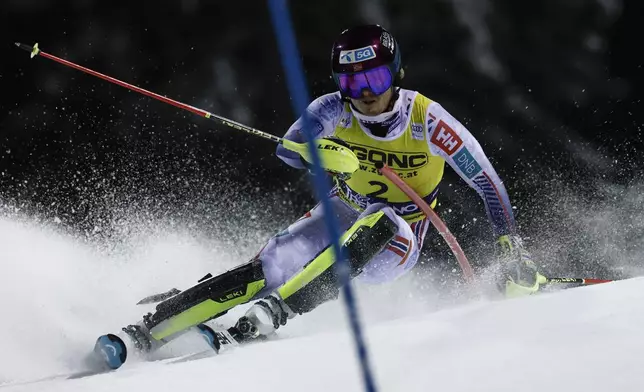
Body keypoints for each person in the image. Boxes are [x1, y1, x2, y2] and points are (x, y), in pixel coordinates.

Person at [121, 24, 546, 354]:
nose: (364, 96)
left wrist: (512, 249)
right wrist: (317, 152)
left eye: (375, 80)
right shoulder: (330, 109)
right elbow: (288, 151)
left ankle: (277, 311)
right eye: (351, 83)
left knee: (381, 220)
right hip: (342, 209)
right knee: (272, 266)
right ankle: (149, 330)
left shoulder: (427, 120)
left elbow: (486, 181)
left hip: (399, 235)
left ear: (396, 74)